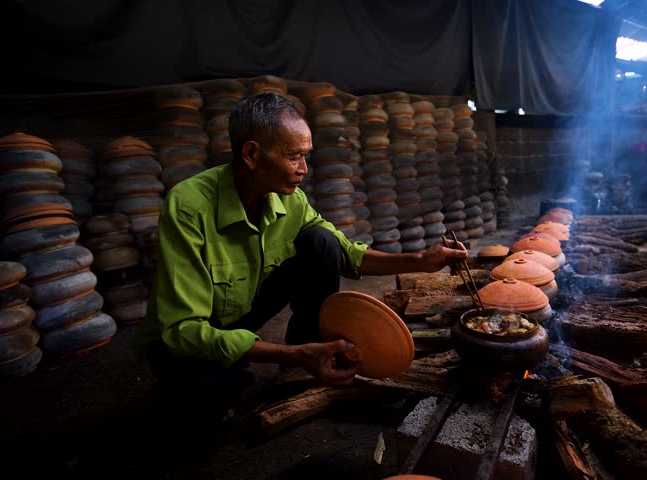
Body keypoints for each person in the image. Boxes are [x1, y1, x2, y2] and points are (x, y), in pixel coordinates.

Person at [133, 91, 467, 426]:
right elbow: (185, 330)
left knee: (321, 242)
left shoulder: (290, 200)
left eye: (306, 156)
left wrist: (421, 259)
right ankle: (279, 362)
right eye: (294, 157)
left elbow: (347, 254)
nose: (304, 169)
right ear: (252, 154)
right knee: (209, 409)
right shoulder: (189, 206)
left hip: (240, 315)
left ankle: (303, 355)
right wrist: (292, 354)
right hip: (182, 341)